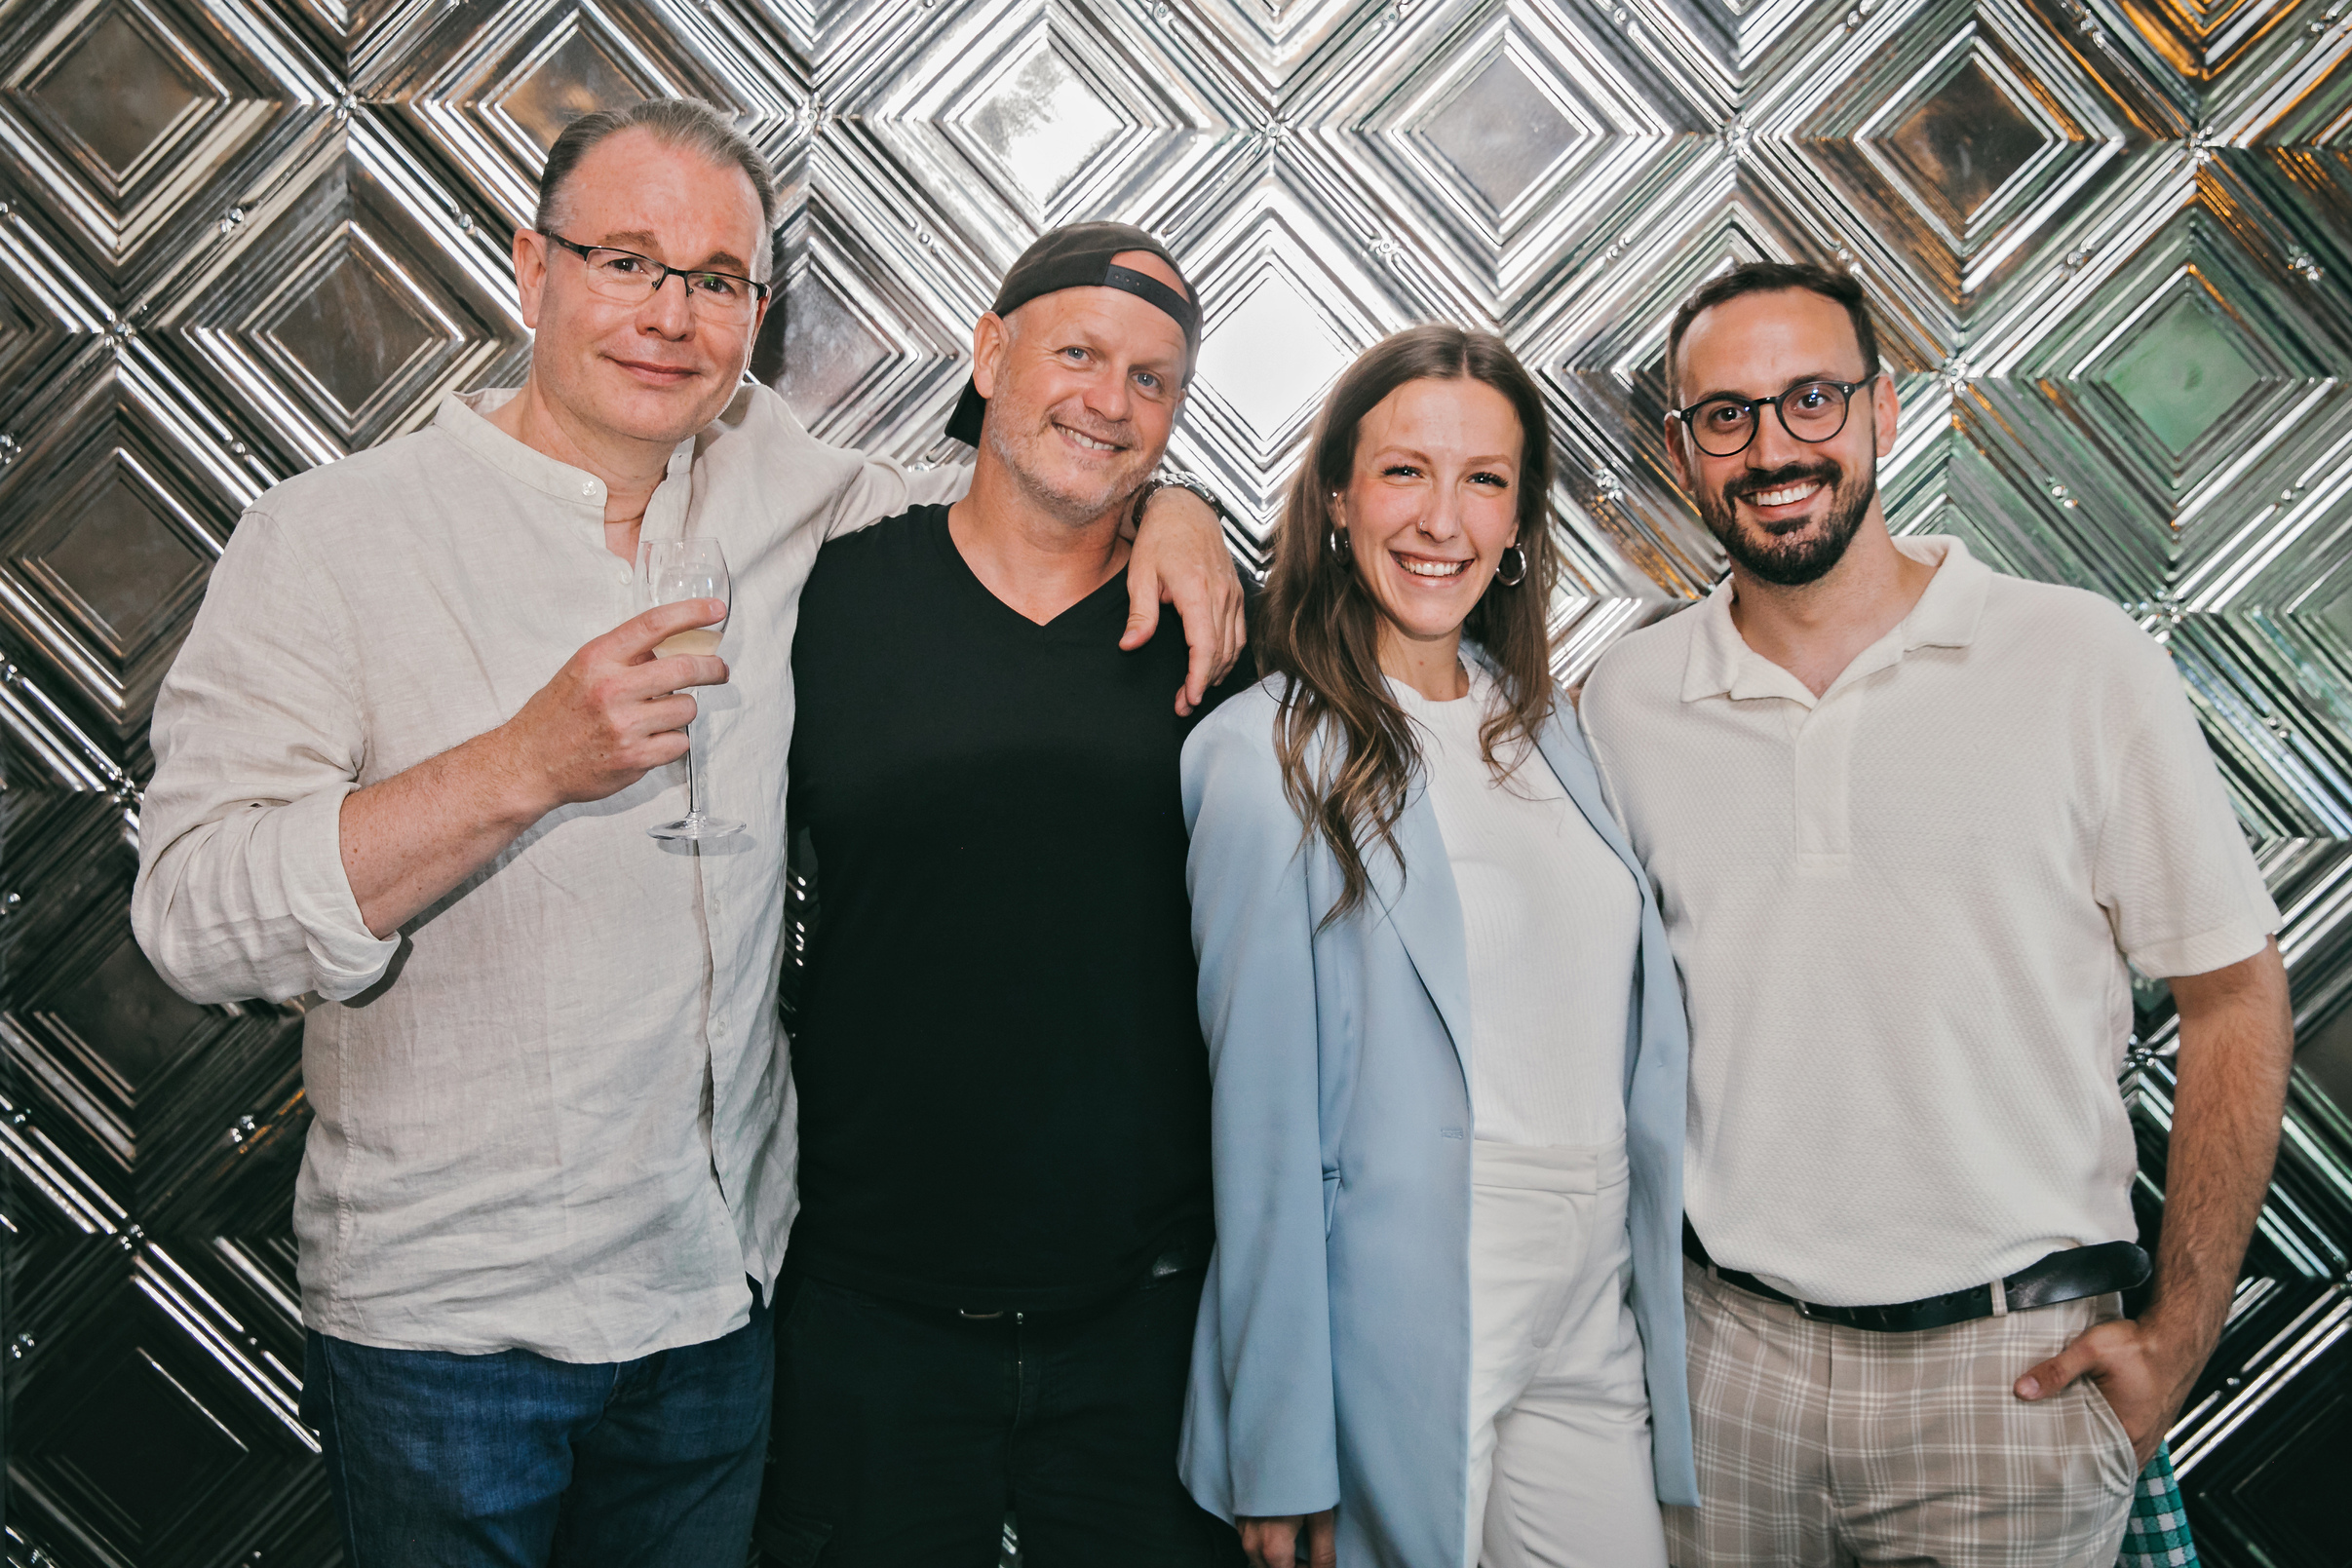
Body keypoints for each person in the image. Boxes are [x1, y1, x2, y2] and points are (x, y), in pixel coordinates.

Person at [130, 102, 1241, 1566]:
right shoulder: (333, 539)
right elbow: (197, 924)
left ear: (756, 319)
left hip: (720, 1309)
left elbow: (1027, 493)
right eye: (626, 261)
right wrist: (520, 766)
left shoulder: (788, 500)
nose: (672, 314)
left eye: (717, 280)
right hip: (453, 1331)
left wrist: (1180, 508)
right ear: (531, 269)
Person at [1578, 260, 2294, 1567]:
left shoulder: (2078, 662)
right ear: (1682, 451)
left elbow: (2234, 993)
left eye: (1810, 398)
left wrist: (2181, 1330)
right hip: (1722, 1368)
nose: (1773, 446)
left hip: (2007, 1378)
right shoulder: (1625, 702)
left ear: (1883, 410)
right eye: (1725, 416)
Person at [757, 221, 1253, 1568]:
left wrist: (1189, 509)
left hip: (1147, 1320)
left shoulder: (1221, 634)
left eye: (1152, 380)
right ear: (988, 355)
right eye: (1079, 353)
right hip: (869, 1310)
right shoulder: (827, 600)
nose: (1109, 398)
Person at [1174, 325, 1698, 1568]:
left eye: (1484, 480)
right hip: (1413, 1290)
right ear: (1339, 496)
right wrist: (1278, 1439)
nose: (1442, 520)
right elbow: (1259, 1131)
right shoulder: (1261, 756)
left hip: (1593, 1278)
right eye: (1405, 471)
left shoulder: (1553, 729)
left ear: (1519, 520)